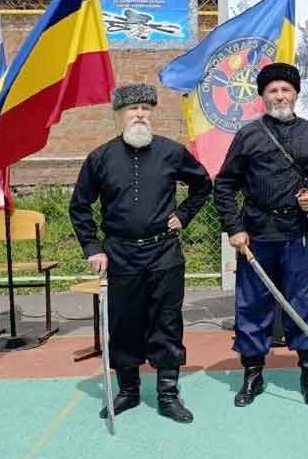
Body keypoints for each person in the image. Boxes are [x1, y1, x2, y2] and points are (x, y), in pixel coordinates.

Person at [68, 84, 213, 424]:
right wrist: (93, 248)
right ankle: (128, 391)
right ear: (119, 115)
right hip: (120, 255)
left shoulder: (171, 152)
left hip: (164, 252)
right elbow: (80, 206)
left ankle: (168, 394)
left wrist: (185, 214)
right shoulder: (100, 158)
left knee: (167, 321)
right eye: (132, 109)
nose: (140, 115)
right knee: (124, 323)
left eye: (146, 109)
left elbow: (203, 184)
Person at [214, 63, 308, 408]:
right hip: (257, 236)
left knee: (302, 304)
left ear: (296, 94)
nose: (280, 96)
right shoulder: (249, 135)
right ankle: (252, 373)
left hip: (299, 235)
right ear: (263, 96)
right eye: (273, 90)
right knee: (252, 305)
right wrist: (235, 228)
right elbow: (224, 185)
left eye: (286, 90)